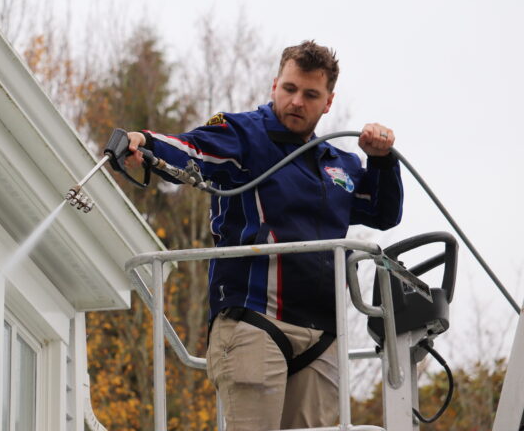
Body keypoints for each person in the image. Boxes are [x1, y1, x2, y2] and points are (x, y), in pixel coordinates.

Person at [125, 40, 403, 430]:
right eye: (289, 89)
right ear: (275, 85)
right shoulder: (242, 135)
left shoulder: (339, 163)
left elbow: (383, 213)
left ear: (328, 102)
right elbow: (192, 148)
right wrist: (145, 142)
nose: (296, 102)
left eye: (310, 95)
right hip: (254, 321)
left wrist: (381, 160)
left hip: (323, 336)